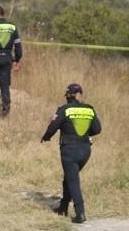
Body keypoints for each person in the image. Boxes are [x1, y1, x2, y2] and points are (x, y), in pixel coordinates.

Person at [41, 83, 101, 223]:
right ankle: (63, 208)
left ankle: (80, 213)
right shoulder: (89, 109)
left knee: (73, 180)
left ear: (68, 96)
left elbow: (53, 126)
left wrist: (46, 137)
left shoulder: (64, 109)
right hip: (86, 150)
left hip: (69, 150)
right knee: (69, 177)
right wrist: (84, 133)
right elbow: (97, 129)